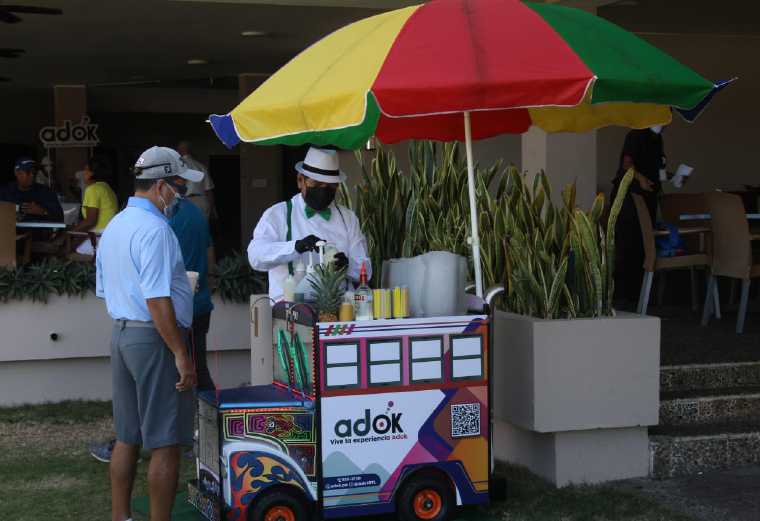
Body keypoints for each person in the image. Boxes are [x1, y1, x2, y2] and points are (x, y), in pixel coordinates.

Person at [95, 145, 202, 521]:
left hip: (122, 334)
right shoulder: (156, 230)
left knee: (127, 436)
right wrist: (180, 353)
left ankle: (120, 516)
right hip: (153, 338)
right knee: (166, 441)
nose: (180, 196)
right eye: (178, 187)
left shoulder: (115, 226)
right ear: (160, 186)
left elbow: (107, 289)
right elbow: (156, 300)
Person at [248, 146, 371, 302]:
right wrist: (295, 247)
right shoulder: (278, 214)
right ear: (301, 181)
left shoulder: (348, 218)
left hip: (339, 309)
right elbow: (255, 256)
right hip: (289, 312)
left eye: (330, 187)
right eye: (317, 185)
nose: (323, 191)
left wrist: (347, 265)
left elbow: (365, 269)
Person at [168, 171, 216, 392]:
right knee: (199, 369)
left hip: (181, 309)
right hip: (200, 302)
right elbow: (210, 254)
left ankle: (206, 423)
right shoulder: (195, 212)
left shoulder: (168, 218)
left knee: (186, 374)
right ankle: (209, 422)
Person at [612, 125, 667, 303]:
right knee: (628, 244)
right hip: (630, 197)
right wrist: (641, 179)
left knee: (643, 246)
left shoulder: (657, 139)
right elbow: (627, 165)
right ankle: (622, 296)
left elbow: (659, 171)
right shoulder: (636, 134)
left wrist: (675, 177)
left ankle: (637, 296)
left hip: (648, 196)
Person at [69, 157, 118, 258]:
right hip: (110, 237)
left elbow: (90, 222)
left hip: (99, 239)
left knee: (67, 249)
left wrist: (70, 232)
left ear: (92, 173)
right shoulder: (106, 187)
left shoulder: (93, 190)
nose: (84, 173)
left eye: (86, 170)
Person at [0, 157, 63, 222]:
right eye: (28, 172)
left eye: (34, 172)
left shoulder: (45, 192)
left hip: (38, 231)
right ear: (17, 173)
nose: (32, 175)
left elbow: (60, 217)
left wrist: (43, 211)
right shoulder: (5, 192)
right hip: (10, 231)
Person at [177, 141, 216, 221]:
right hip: (202, 201)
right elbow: (208, 190)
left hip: (185, 201)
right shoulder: (201, 166)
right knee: (202, 229)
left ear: (180, 151)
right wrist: (212, 208)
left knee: (187, 229)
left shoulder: (178, 166)